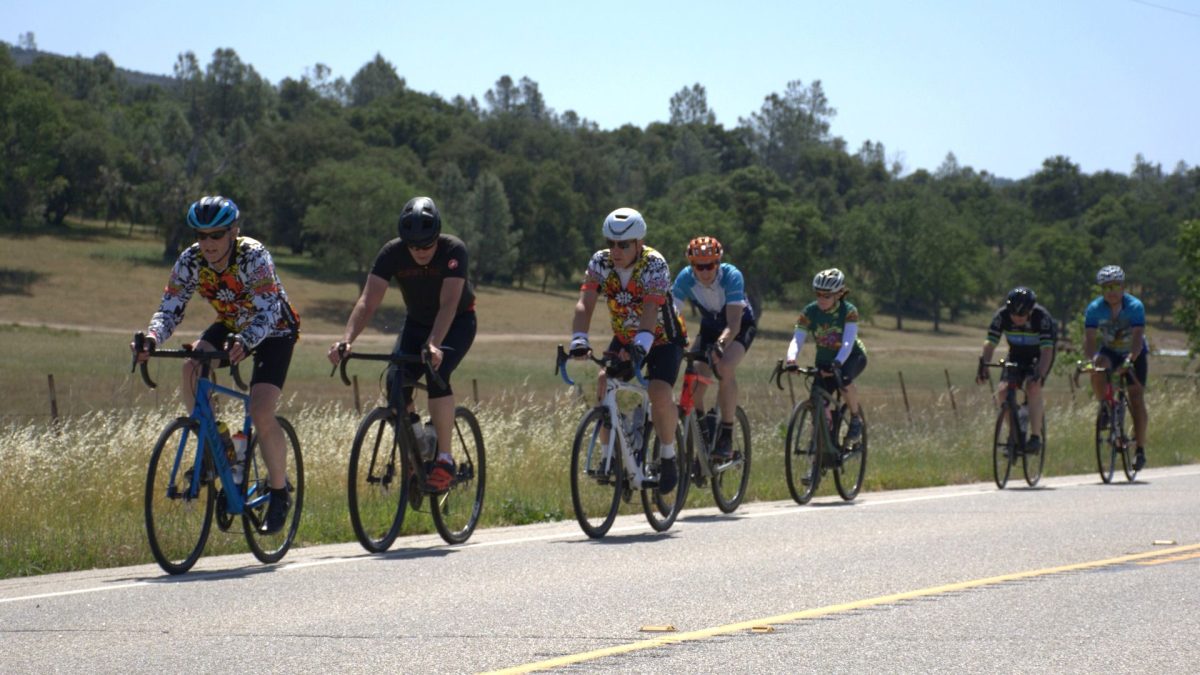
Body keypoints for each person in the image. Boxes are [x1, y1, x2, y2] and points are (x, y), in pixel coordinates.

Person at [131, 195, 301, 534]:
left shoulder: (253, 256)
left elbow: (267, 310)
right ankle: (219, 443)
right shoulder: (190, 260)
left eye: (216, 235)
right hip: (232, 323)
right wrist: (151, 338)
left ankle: (279, 492)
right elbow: (170, 308)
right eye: (201, 235)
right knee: (192, 367)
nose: (207, 243)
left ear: (233, 232)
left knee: (261, 408)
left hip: (274, 328)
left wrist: (245, 341)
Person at [327, 196, 476, 492]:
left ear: (437, 238)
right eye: (413, 246)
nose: (420, 251)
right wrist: (346, 340)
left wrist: (434, 345)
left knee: (437, 372)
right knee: (396, 383)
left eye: (426, 245)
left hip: (457, 322)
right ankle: (420, 445)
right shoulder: (392, 253)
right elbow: (368, 301)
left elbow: (448, 305)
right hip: (417, 323)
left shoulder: (453, 250)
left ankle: (444, 458)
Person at [569, 207, 687, 492]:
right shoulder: (600, 262)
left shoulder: (654, 264)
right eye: (611, 243)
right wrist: (579, 339)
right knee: (603, 381)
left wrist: (640, 348)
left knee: (659, 393)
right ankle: (611, 457)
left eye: (623, 244)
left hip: (662, 338)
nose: (616, 250)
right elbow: (585, 302)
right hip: (625, 335)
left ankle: (669, 455)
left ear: (638, 243)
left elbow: (650, 309)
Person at [670, 236, 757, 460]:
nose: (706, 271)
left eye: (710, 265)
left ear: (718, 263)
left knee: (725, 367)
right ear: (692, 266)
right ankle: (704, 427)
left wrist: (720, 346)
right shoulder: (685, 278)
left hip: (739, 325)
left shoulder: (731, 276)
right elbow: (671, 315)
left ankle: (727, 432)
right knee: (695, 379)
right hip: (710, 326)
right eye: (700, 266)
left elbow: (735, 324)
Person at [785, 268, 867, 443]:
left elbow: (848, 342)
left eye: (826, 295)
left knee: (844, 379)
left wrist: (837, 362)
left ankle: (855, 418)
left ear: (838, 294)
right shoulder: (810, 311)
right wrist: (791, 359)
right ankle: (820, 450)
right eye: (818, 294)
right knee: (817, 404)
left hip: (851, 356)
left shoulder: (849, 311)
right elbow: (797, 339)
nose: (821, 299)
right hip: (824, 360)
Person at [975, 287, 1057, 454]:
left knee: (1033, 387)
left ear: (1031, 311)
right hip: (1016, 355)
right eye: (1013, 313)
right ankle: (1014, 434)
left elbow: (1047, 351)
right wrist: (984, 365)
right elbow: (990, 343)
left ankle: (1035, 438)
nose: (1017, 318)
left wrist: (1039, 374)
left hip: (1039, 356)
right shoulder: (1001, 316)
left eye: (1022, 314)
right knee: (1003, 391)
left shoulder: (1042, 318)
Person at [1084, 264, 1149, 470]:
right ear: (1101, 290)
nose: (1111, 291)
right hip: (1110, 351)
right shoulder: (1094, 309)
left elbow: (1138, 338)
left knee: (1136, 398)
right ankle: (1105, 405)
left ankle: (1139, 449)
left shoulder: (1135, 306)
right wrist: (1091, 358)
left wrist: (1130, 359)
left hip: (1134, 352)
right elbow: (1090, 340)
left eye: (1115, 286)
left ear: (1123, 287)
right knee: (1098, 366)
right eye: (1106, 287)